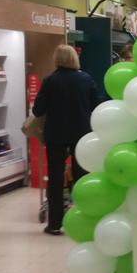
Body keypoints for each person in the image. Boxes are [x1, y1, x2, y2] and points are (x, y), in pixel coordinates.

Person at [32, 45, 100, 235]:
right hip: (81, 134)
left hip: (56, 134)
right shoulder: (86, 79)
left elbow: (38, 110)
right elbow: (96, 105)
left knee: (55, 178)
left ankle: (54, 224)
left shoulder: (50, 81)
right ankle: (83, 219)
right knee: (81, 177)